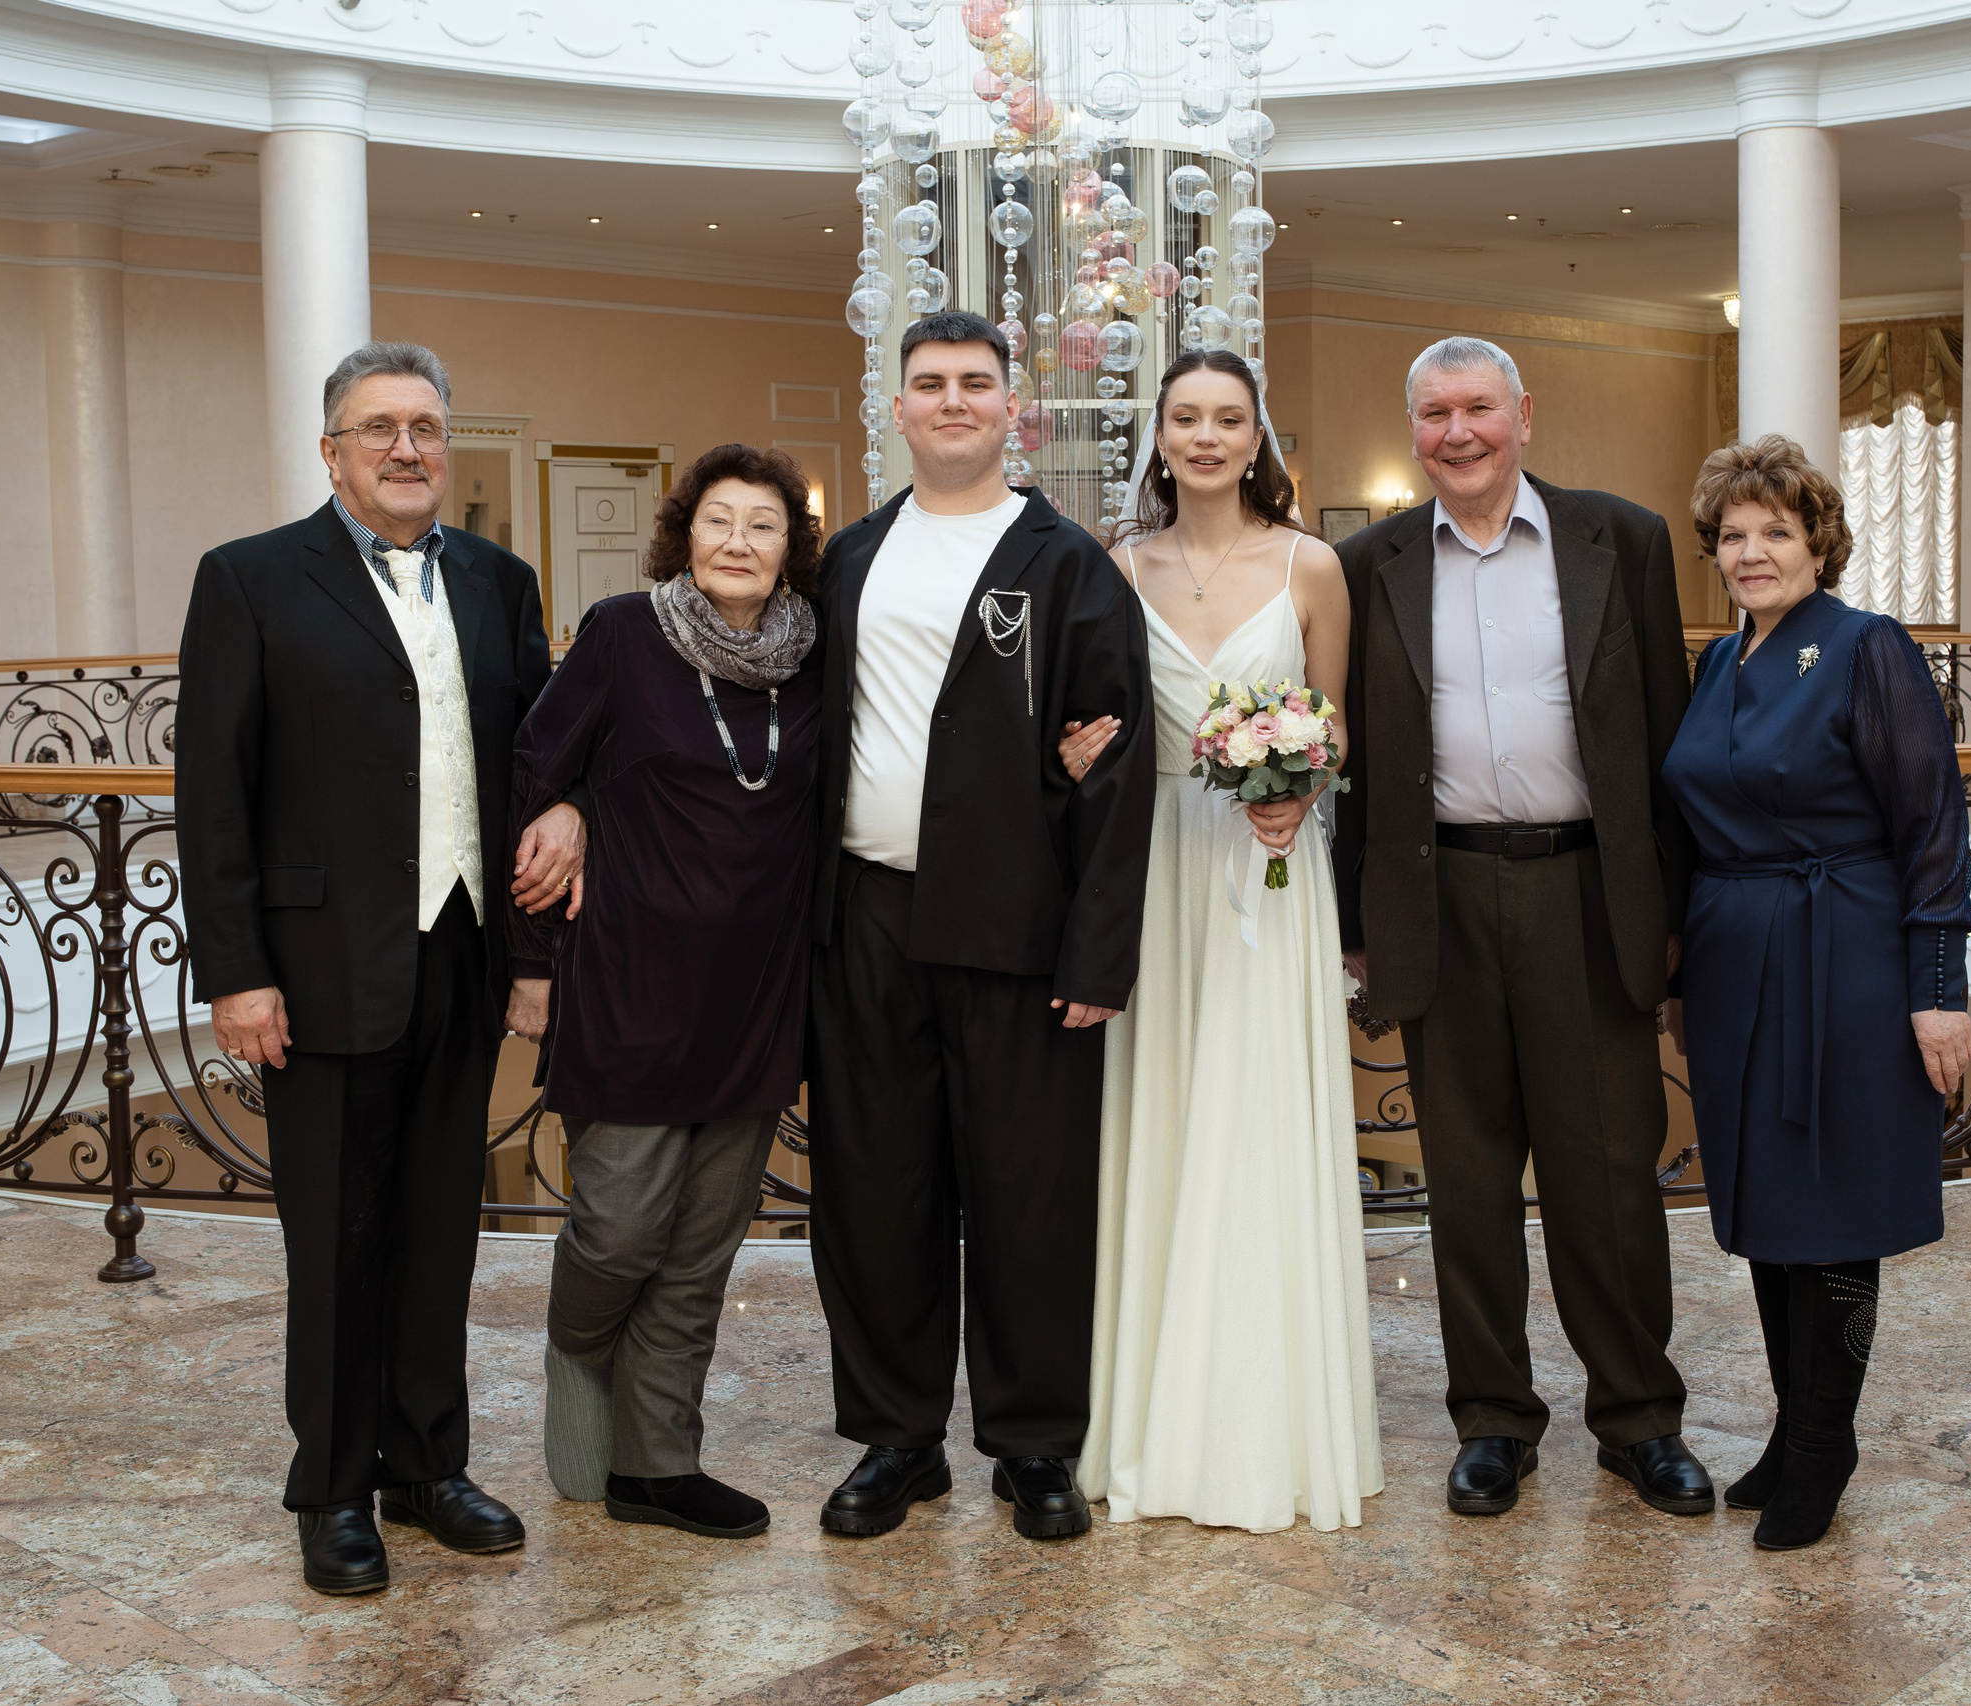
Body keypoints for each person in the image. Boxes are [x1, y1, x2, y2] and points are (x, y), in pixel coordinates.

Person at [177, 341, 585, 1595]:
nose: (406, 449)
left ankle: (426, 1466)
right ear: (331, 451)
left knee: (436, 1230)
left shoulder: (501, 581)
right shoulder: (248, 579)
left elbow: (540, 756)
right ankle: (334, 1487)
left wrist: (567, 833)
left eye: (425, 428)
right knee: (338, 1241)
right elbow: (214, 790)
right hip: (316, 966)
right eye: (378, 428)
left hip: (462, 953)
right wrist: (236, 971)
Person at [1332, 336, 1712, 1521]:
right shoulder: (1366, 565)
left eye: (1478, 408)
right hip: (1436, 896)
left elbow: (1665, 737)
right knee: (1466, 1177)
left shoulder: (1623, 540)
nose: (1458, 432)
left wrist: (1673, 914)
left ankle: (1639, 1417)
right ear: (1413, 429)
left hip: (1589, 894)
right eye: (1434, 412)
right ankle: (1492, 1419)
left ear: (1523, 414)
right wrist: (1353, 921)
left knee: (1609, 1172)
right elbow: (1349, 762)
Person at [806, 310, 1155, 1541]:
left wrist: (1099, 954)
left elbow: (1117, 767)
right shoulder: (848, 556)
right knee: (874, 1189)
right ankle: (897, 1440)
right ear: (896, 408)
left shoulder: (1067, 563)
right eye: (929, 383)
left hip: (1020, 924)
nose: (951, 400)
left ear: (1015, 410)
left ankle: (1033, 1443)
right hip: (865, 913)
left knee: (1028, 1192)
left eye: (974, 382)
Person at [1056, 350, 1384, 1533]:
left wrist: (1301, 783)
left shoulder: (1310, 567)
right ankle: (1149, 1417)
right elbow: (1087, 718)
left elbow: (1335, 727)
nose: (1205, 437)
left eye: (1227, 419)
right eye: (1185, 418)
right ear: (1158, 435)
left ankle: (1266, 1426)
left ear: (1257, 439)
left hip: (1266, 867)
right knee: (1163, 1115)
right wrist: (1075, 754)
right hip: (1150, 873)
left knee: (1257, 1115)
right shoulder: (1113, 565)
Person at [505, 443, 825, 1544]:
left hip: (757, 997)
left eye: (763, 525)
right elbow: (537, 774)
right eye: (718, 520)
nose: (739, 541)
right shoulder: (622, 634)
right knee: (621, 1229)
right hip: (630, 985)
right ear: (685, 534)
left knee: (698, 1252)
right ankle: (577, 1350)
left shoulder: (814, 657)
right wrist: (532, 962)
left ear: (791, 549)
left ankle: (657, 1464)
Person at [1661, 436, 1971, 1551]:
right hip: (1733, 960)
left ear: (1818, 544)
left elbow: (1931, 824)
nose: (1751, 552)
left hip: (1845, 955)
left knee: (1834, 1206)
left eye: (1776, 532)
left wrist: (1937, 989)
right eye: (1733, 535)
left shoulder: (1865, 647)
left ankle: (1824, 1447)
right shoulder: (1716, 662)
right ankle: (1793, 1429)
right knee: (1768, 1208)